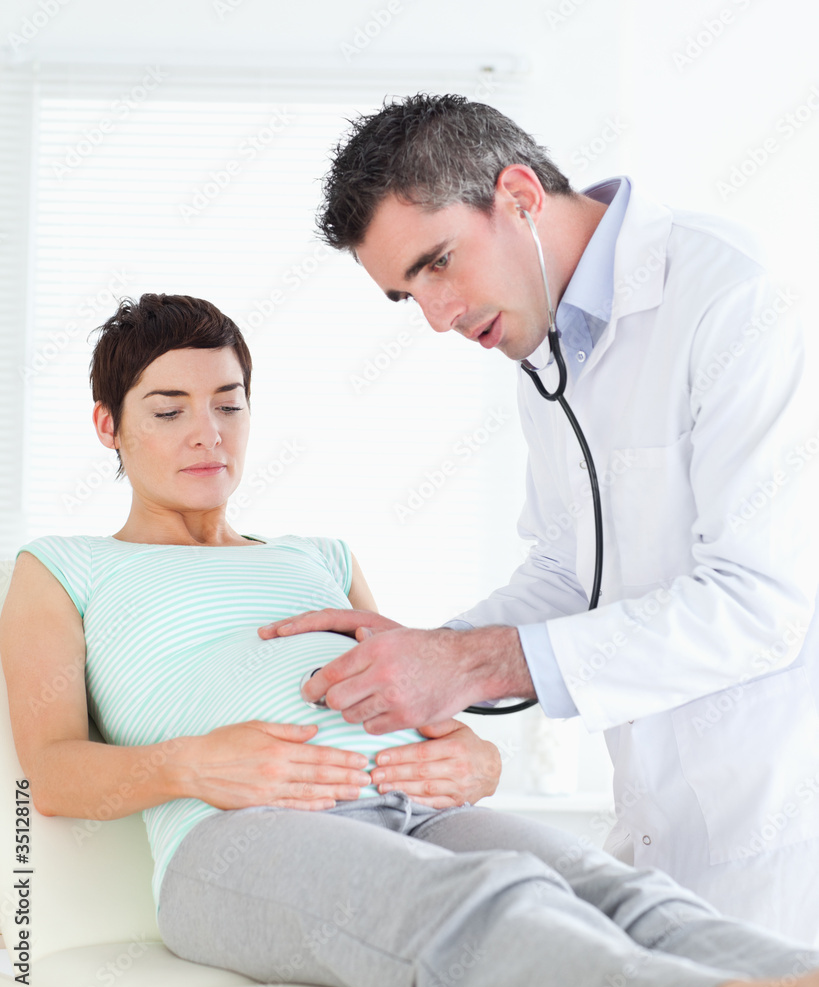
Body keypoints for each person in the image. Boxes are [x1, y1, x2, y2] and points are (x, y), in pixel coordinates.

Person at [3, 292, 819, 987]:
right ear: (111, 426)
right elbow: (53, 772)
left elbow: (407, 690)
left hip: (420, 809)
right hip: (230, 839)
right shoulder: (65, 567)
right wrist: (191, 765)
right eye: (169, 409)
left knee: (617, 893)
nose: (207, 433)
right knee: (475, 905)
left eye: (229, 402)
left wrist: (476, 759)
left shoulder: (319, 557)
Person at [259, 94, 819, 943]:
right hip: (664, 850)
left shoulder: (734, 301)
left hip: (783, 848)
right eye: (407, 294)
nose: (438, 317)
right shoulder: (548, 348)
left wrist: (473, 666)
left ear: (517, 195)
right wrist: (419, 653)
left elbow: (762, 604)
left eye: (438, 263)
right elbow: (569, 569)